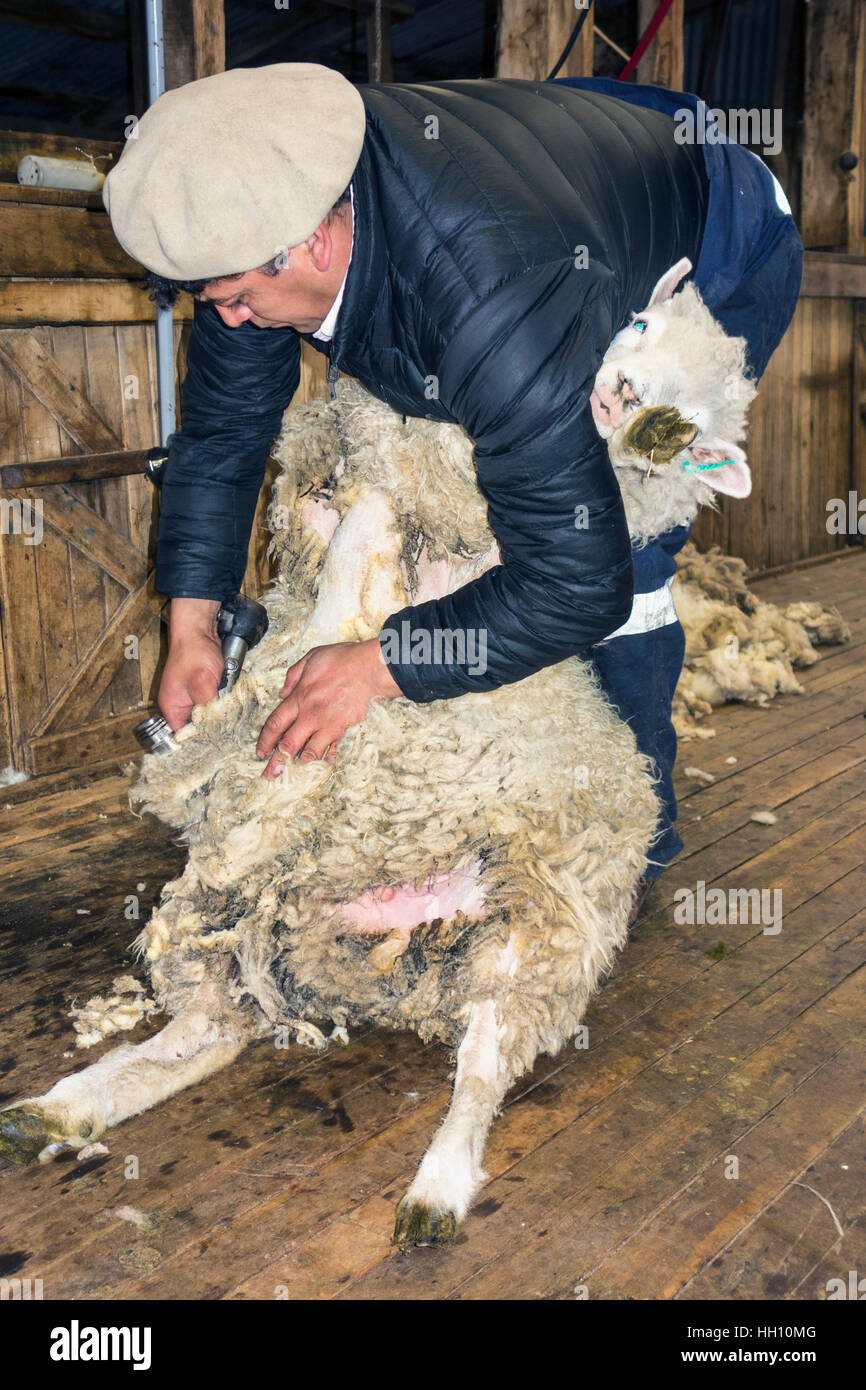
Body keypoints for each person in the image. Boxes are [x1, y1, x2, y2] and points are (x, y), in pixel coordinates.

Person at [102, 63, 802, 919]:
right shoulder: (261, 229)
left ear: (313, 240)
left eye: (243, 298)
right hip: (573, 172)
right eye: (216, 301)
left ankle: (626, 834)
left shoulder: (496, 302)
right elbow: (222, 434)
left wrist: (380, 665)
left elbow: (579, 582)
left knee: (622, 528)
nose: (234, 320)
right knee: (497, 492)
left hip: (716, 230)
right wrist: (191, 625)